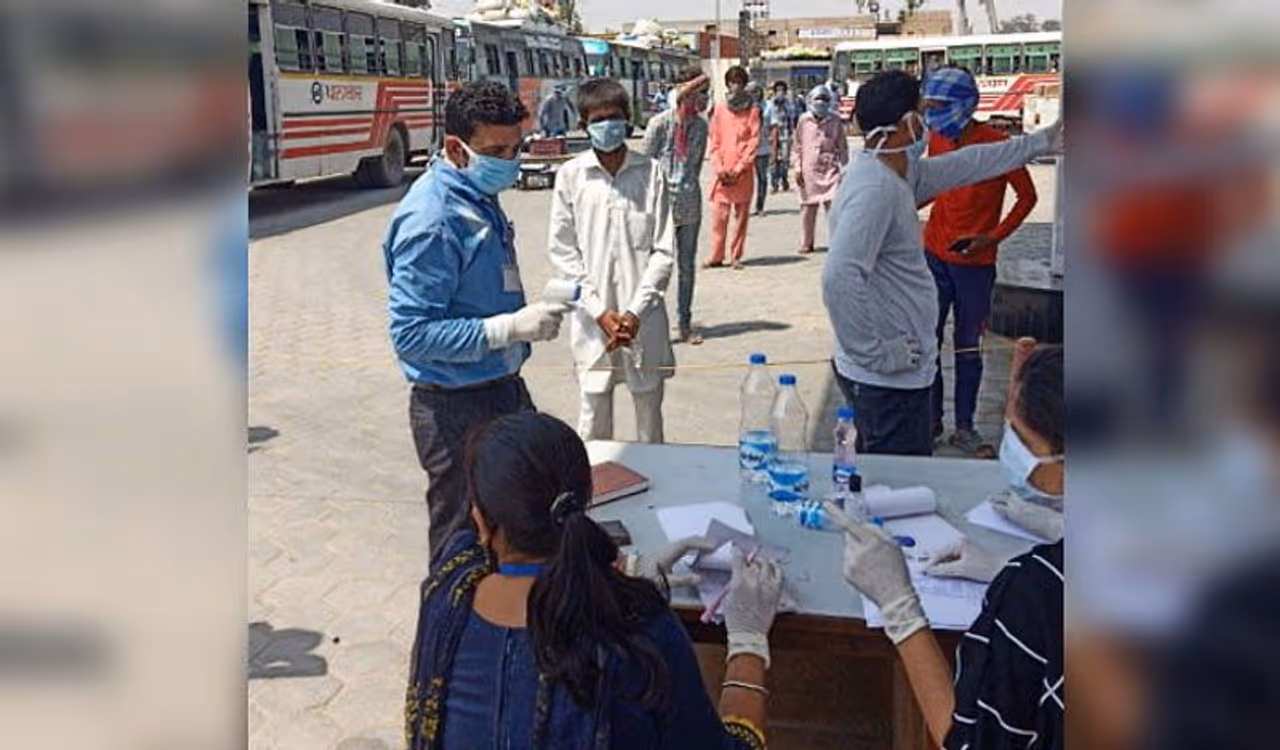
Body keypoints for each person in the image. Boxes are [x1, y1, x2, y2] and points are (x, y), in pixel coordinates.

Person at [405, 412, 785, 750]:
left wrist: (622, 573)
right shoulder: (641, 630)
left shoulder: (447, 593)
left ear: (482, 523)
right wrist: (748, 643)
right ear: (586, 500)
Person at [826, 345, 1064, 750]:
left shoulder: (1034, 598)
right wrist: (1009, 563)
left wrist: (899, 608)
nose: (1010, 451)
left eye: (1022, 442)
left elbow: (968, 742)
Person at [823, 70, 1061, 456]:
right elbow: (839, 277)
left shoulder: (897, 172)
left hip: (897, 376)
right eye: (923, 112)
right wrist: (876, 353)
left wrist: (1042, 141)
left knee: (887, 476)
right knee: (897, 480)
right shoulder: (874, 188)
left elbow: (973, 161)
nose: (929, 123)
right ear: (907, 123)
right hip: (885, 383)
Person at [385, 81, 570, 563]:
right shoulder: (434, 220)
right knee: (461, 545)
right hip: (456, 407)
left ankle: (507, 609)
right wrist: (508, 328)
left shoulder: (475, 192)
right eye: (495, 152)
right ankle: (452, 614)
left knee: (522, 525)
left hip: (501, 386)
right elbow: (411, 335)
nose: (509, 162)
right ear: (455, 148)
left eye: (515, 149)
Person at [548, 79, 676, 444]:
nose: (608, 126)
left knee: (650, 420)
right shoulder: (572, 176)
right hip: (593, 323)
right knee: (593, 422)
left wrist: (634, 312)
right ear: (583, 125)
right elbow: (563, 252)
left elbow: (663, 251)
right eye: (599, 120)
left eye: (615, 118)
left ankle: (654, 480)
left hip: (644, 321)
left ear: (627, 121)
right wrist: (598, 311)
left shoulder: (650, 173)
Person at [921, 67, 1039, 457]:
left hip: (975, 264)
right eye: (930, 106)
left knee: (967, 346)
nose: (934, 115)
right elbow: (933, 185)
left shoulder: (998, 146)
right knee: (928, 340)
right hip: (934, 256)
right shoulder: (937, 139)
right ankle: (931, 419)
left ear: (966, 106)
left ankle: (965, 426)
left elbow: (1027, 197)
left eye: (940, 106)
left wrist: (993, 236)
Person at [642, 67, 711, 345]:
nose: (701, 99)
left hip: (689, 204)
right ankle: (647, 323)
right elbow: (644, 165)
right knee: (654, 268)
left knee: (686, 267)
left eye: (704, 94)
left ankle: (684, 322)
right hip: (659, 205)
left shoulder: (701, 127)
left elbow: (695, 166)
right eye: (696, 93)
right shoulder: (660, 124)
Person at [705, 66, 761, 271]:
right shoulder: (720, 109)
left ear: (744, 85)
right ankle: (716, 256)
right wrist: (719, 167)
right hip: (722, 173)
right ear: (727, 84)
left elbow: (753, 141)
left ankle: (736, 255)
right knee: (719, 218)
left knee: (741, 218)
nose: (735, 86)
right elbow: (714, 140)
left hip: (742, 173)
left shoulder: (753, 111)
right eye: (732, 82)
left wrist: (739, 168)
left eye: (739, 82)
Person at [791, 84, 849, 255]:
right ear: (810, 101)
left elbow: (842, 147)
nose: (821, 103)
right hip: (808, 170)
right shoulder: (804, 120)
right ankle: (807, 243)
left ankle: (837, 242)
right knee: (808, 208)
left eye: (824, 99)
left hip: (830, 169)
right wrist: (797, 168)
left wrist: (845, 169)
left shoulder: (835, 120)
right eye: (818, 99)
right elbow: (797, 146)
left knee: (833, 208)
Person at [763, 80, 795, 193]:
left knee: (785, 159)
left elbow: (792, 118)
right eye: (778, 90)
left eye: (782, 90)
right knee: (773, 159)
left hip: (785, 133)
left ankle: (784, 179)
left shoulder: (788, 104)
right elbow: (766, 118)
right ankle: (774, 183)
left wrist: (791, 134)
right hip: (773, 134)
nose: (780, 92)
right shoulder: (770, 104)